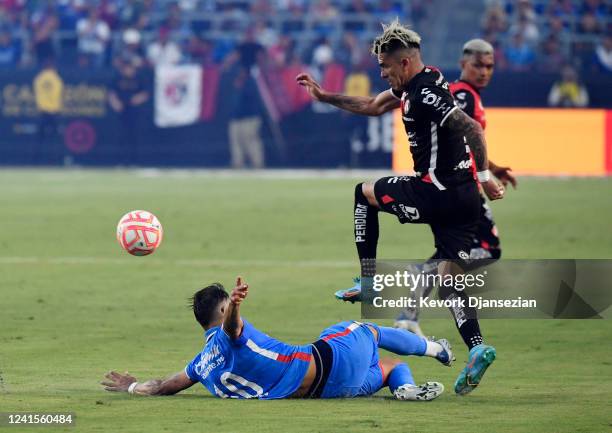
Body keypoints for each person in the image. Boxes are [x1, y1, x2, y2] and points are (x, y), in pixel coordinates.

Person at [296, 20, 504, 395]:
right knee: (450, 278)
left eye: (385, 67)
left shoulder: (424, 95)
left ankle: (369, 282)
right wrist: (324, 96)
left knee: (364, 193)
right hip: (465, 200)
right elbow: (374, 105)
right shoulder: (424, 81)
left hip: (436, 191)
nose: (381, 72)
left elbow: (471, 127)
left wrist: (487, 173)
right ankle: (477, 347)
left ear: (404, 63)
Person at [101, 277, 453, 401]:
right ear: (223, 312)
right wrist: (236, 306)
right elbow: (233, 332)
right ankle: (439, 349)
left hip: (327, 392)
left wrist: (133, 387)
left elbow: (164, 386)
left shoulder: (200, 364)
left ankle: (403, 389)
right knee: (367, 330)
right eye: (228, 305)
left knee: (393, 368)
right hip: (327, 363)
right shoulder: (228, 334)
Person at [393, 39, 518, 336]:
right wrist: (484, 175)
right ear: (463, 64)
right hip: (459, 188)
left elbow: (463, 142)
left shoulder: (467, 93)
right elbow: (459, 136)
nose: (484, 71)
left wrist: (493, 166)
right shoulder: (462, 95)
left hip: (459, 184)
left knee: (480, 250)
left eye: (489, 66)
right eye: (478, 65)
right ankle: (428, 276)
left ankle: (411, 311)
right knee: (486, 249)